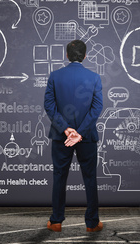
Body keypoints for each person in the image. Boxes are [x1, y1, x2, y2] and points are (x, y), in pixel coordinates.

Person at [44, 39, 104, 232]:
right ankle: (92, 223)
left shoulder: (55, 76)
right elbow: (96, 108)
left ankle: (56, 221)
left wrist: (66, 129)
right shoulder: (94, 77)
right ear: (85, 56)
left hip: (61, 137)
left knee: (59, 176)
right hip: (86, 137)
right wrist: (80, 133)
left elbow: (49, 105)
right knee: (90, 177)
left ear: (67, 56)